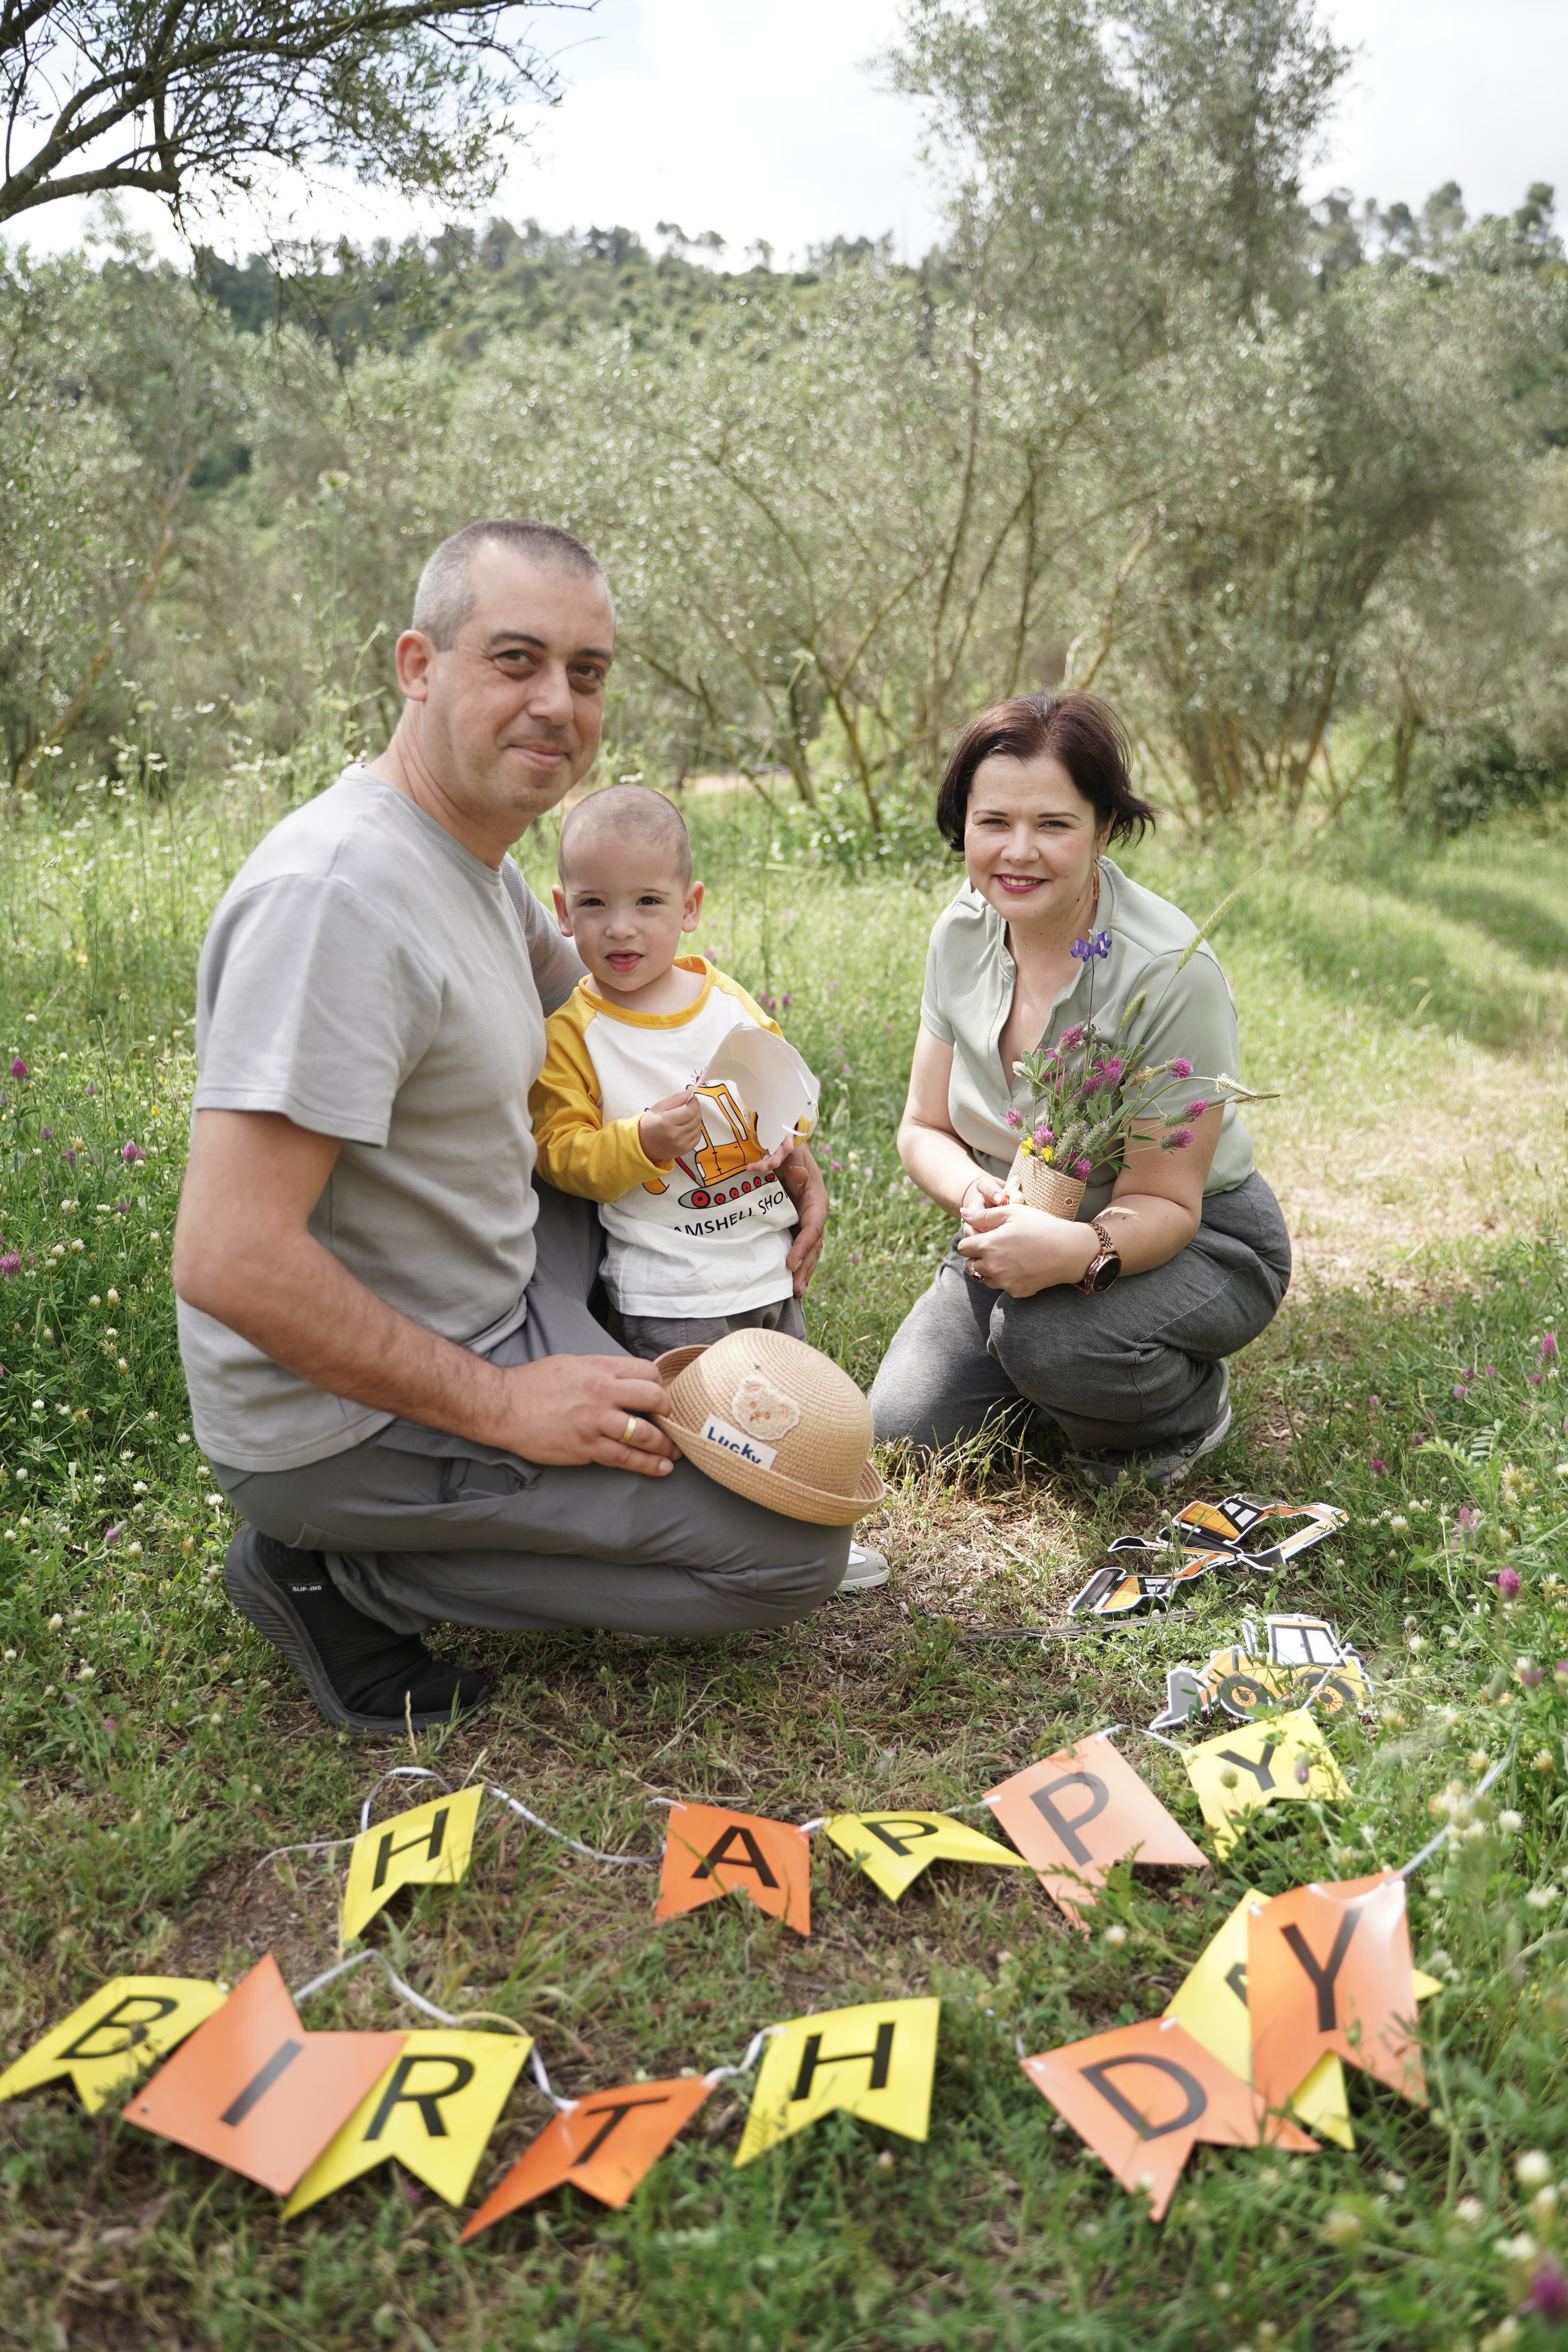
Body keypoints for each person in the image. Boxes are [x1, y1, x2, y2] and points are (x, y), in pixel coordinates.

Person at [172, 518, 851, 1738]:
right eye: (516, 659)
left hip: (490, 1285)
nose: (557, 704)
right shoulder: (334, 900)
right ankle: (332, 1569)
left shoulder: (474, 862)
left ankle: (541, 1399)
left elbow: (627, 1029)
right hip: (345, 1421)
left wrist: (765, 1141)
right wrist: (499, 1406)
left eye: (585, 673)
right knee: (784, 1557)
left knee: (618, 1187)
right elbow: (229, 1258)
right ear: (417, 666)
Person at [867, 691, 1291, 1487]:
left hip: (1196, 1238)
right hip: (1025, 1207)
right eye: (993, 822)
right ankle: (1059, 1379)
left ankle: (1180, 1412)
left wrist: (1081, 1253)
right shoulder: (960, 933)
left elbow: (1166, 1202)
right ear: (963, 824)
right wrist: (977, 1197)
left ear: (1103, 829)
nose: (1017, 852)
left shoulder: (1168, 976)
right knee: (905, 1432)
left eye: (1054, 825)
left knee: (1051, 1343)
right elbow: (923, 1127)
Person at [530, 783, 810, 1355]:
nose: (621, 927)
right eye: (594, 904)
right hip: (669, 1293)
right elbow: (558, 1151)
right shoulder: (573, 1033)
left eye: (648, 902)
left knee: (785, 1417)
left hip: (767, 1267)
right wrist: (641, 1142)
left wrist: (793, 1145)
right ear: (563, 912)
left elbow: (785, 1088)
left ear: (690, 907)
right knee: (693, 1434)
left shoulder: (725, 1000)